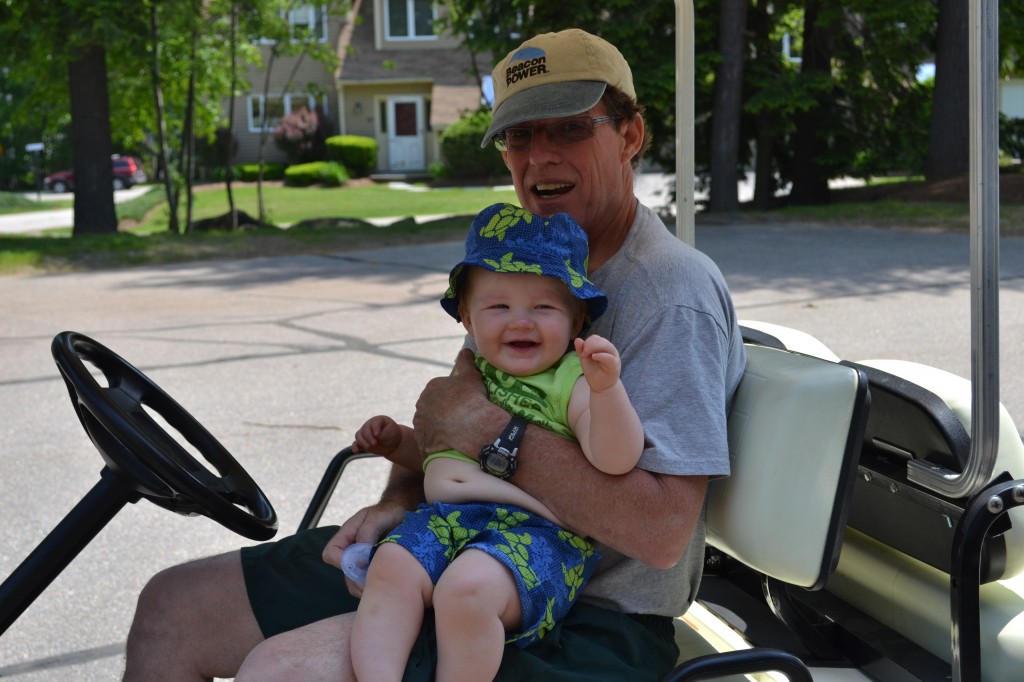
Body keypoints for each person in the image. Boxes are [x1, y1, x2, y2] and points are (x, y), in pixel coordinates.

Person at [122, 28, 746, 682]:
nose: (538, 159)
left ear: (630, 136)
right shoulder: (525, 268)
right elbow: (454, 422)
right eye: (518, 137)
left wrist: (495, 436)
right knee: (172, 607)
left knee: (281, 670)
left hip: (587, 622)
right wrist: (398, 497)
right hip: (453, 547)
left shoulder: (672, 295)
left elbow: (660, 532)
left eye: (568, 129)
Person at [345, 201, 644, 681]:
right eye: (499, 306)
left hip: (539, 538)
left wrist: (608, 392)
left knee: (466, 590)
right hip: (448, 520)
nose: (521, 321)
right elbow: (434, 456)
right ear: (467, 316)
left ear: (577, 318)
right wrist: (396, 440)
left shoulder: (572, 380)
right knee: (392, 567)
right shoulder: (473, 374)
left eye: (543, 307)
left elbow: (616, 458)